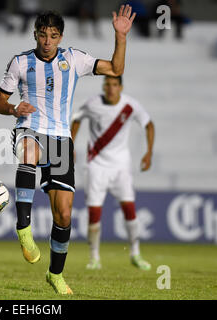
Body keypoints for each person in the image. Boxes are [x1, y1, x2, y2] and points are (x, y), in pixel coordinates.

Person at [0, 6, 136, 294]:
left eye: (53, 36)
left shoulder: (74, 58)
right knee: (29, 153)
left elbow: (116, 70)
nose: (47, 41)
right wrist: (12, 108)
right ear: (35, 34)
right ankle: (24, 228)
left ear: (61, 37)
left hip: (60, 138)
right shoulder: (20, 62)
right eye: (43, 35)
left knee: (65, 215)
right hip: (29, 127)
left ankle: (55, 274)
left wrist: (120, 36)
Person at [70, 75, 155, 271]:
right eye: (107, 84)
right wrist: (71, 145)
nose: (110, 88)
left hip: (120, 166)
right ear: (103, 86)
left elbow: (149, 124)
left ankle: (135, 253)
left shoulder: (130, 105)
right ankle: (94, 258)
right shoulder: (92, 103)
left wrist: (149, 152)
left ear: (120, 87)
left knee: (129, 209)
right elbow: (76, 119)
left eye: (114, 84)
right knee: (94, 212)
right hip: (96, 165)